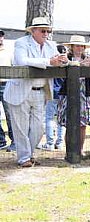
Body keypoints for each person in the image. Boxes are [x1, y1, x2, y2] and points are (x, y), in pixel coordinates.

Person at [4, 17, 69, 167]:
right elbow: (22, 61)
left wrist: (62, 61)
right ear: (33, 31)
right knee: (20, 127)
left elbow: (55, 62)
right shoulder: (21, 43)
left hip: (40, 91)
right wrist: (49, 62)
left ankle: (29, 154)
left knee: (39, 128)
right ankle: (24, 158)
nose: (46, 33)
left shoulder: (51, 45)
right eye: (42, 30)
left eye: (48, 31)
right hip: (20, 90)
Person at [57, 35, 90, 153]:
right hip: (67, 94)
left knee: (83, 124)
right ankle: (69, 150)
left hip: (85, 94)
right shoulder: (65, 58)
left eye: (81, 46)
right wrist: (77, 65)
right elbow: (60, 76)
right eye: (77, 46)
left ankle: (80, 149)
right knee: (69, 123)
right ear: (72, 47)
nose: (79, 48)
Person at [39, 44, 66, 150]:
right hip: (63, 94)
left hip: (53, 92)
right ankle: (59, 143)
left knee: (49, 118)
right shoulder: (66, 63)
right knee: (61, 119)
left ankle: (50, 143)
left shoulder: (52, 63)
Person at [0, 29, 15, 151]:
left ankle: (15, 141)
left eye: (1, 36)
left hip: (6, 84)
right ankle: (1, 140)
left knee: (9, 114)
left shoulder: (9, 52)